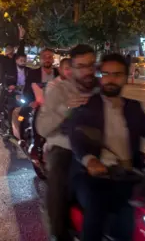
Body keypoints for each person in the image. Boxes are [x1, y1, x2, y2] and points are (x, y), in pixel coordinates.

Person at [68, 53, 145, 241]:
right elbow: (77, 136)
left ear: (126, 77)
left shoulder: (133, 108)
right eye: (106, 74)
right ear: (100, 76)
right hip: (94, 176)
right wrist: (90, 160)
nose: (111, 79)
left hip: (131, 174)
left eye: (117, 74)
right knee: (99, 208)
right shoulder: (86, 105)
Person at [35, 45, 99, 241]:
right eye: (81, 66)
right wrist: (67, 108)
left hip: (96, 147)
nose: (87, 71)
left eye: (90, 65)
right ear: (71, 68)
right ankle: (58, 232)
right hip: (64, 146)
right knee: (59, 177)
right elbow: (43, 127)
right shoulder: (59, 90)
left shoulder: (102, 89)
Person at [0, 25, 26, 118]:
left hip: (17, 84)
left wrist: (22, 37)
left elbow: (21, 50)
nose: (7, 50)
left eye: (9, 48)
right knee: (3, 93)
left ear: (13, 49)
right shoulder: (3, 59)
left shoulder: (17, 58)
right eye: (6, 49)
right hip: (6, 84)